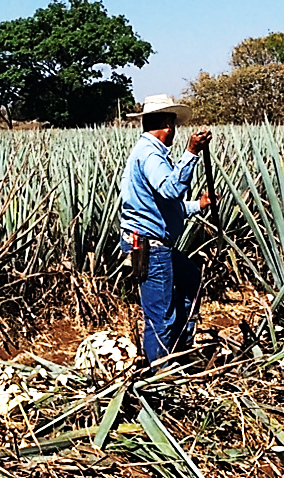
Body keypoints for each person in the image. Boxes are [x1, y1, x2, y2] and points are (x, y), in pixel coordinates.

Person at [120, 94, 213, 367]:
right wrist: (192, 153)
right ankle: (160, 373)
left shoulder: (151, 153)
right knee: (160, 314)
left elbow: (164, 207)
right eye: (174, 125)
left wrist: (199, 204)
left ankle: (179, 349)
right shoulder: (149, 154)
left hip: (155, 242)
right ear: (168, 125)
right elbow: (170, 190)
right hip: (149, 245)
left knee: (191, 280)